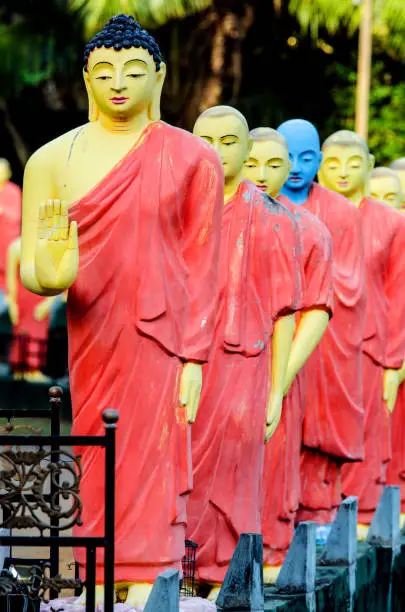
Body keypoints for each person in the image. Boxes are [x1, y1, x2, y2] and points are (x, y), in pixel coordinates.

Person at [20, 14, 224, 607]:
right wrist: (51, 272)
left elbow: (204, 265)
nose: (119, 83)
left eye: (134, 71)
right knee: (96, 438)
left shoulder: (192, 158)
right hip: (94, 328)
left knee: (156, 450)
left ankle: (150, 574)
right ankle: (100, 569)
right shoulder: (51, 161)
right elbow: (36, 270)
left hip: (162, 334)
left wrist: (195, 355)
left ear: (157, 76)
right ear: (85, 77)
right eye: (104, 71)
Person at [186, 107, 303, 600]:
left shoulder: (274, 219)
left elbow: (284, 312)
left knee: (234, 467)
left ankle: (225, 575)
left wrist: (276, 389)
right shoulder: (178, 203)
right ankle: (178, 566)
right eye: (205, 138)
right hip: (182, 355)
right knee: (181, 464)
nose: (216, 149)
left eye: (229, 140)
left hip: (243, 361)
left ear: (245, 149)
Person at [243, 127, 333, 577]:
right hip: (220, 364)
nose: (262, 174)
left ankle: (273, 552)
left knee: (275, 461)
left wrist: (280, 380)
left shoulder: (309, 230)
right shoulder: (212, 222)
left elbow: (316, 309)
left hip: (277, 365)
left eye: (274, 164)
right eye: (252, 162)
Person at [276, 119, 366, 539]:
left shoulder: (344, 214)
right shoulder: (259, 203)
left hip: (325, 336)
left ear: (320, 161)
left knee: (317, 427)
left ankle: (318, 509)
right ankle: (271, 514)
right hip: (272, 330)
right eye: (286, 157)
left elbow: (348, 284)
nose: (295, 166)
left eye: (307, 157)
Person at [319, 130, 405, 536]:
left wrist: (394, 360)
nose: (342, 173)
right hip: (320, 338)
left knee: (368, 426)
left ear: (370, 167)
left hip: (371, 342)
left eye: (353, 164)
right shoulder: (313, 213)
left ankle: (363, 512)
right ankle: (317, 508)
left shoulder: (390, 222)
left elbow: (398, 293)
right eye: (333, 164)